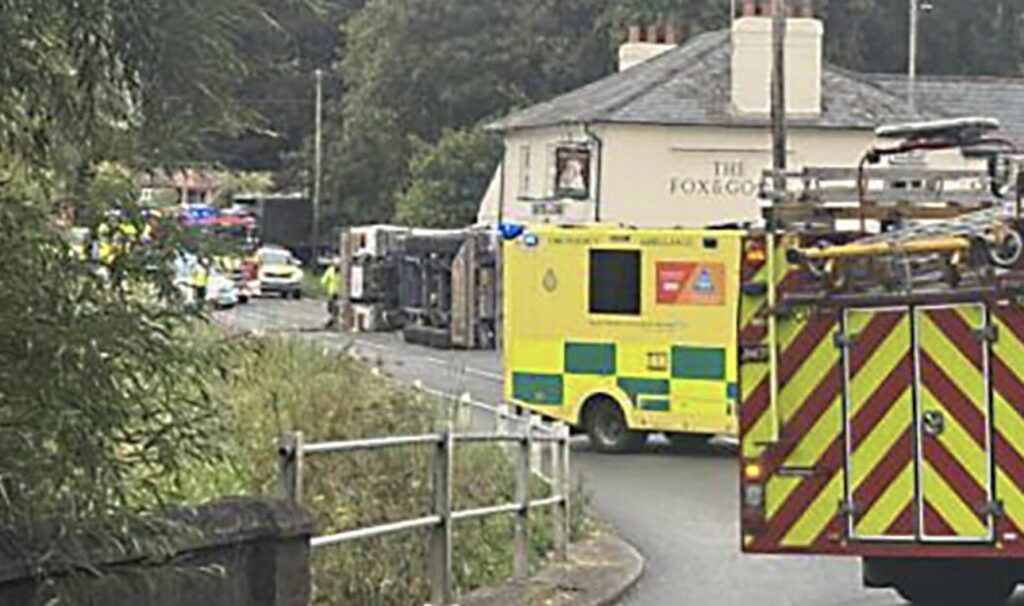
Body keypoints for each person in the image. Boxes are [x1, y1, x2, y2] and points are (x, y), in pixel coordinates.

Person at [321, 261, 340, 329]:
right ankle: (333, 319)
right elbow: (324, 280)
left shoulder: (343, 271)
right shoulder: (330, 270)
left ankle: (334, 320)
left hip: (340, 293)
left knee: (336, 307)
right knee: (331, 307)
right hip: (332, 292)